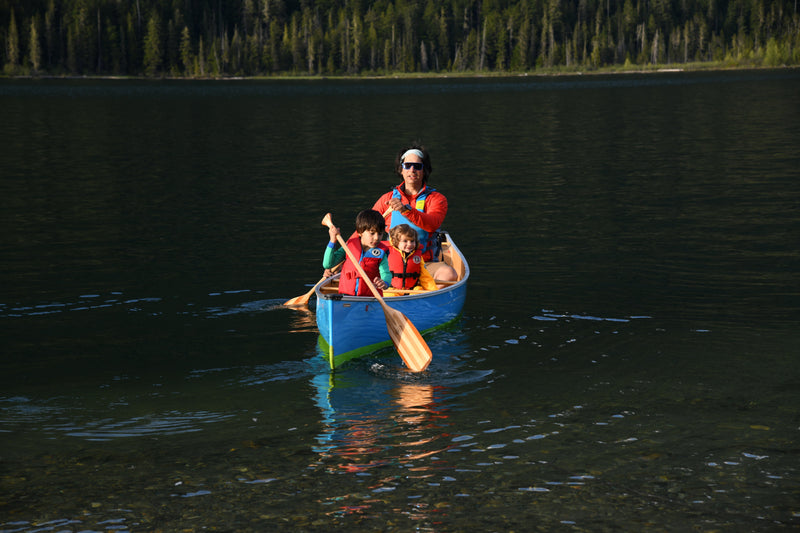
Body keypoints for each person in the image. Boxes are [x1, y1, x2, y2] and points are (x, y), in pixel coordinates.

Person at [371, 144, 458, 282]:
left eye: (417, 166)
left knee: (449, 274)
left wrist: (406, 210)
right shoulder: (387, 199)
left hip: (425, 264)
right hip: (391, 267)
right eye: (408, 165)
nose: (412, 170)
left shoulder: (437, 199)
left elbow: (432, 224)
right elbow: (364, 230)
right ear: (401, 169)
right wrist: (340, 259)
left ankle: (427, 297)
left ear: (424, 171)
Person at [323, 209, 392, 296]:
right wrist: (332, 241)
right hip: (347, 296)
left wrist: (385, 283)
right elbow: (328, 264)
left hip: (369, 298)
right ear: (360, 232)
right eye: (372, 233)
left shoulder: (381, 253)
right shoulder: (349, 246)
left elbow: (385, 273)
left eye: (380, 234)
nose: (376, 238)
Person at [386, 224, 438, 291]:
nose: (409, 244)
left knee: (420, 290)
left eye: (412, 241)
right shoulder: (386, 254)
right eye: (405, 241)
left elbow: (426, 277)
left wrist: (434, 291)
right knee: (389, 296)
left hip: (411, 290)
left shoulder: (418, 257)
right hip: (391, 290)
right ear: (395, 241)